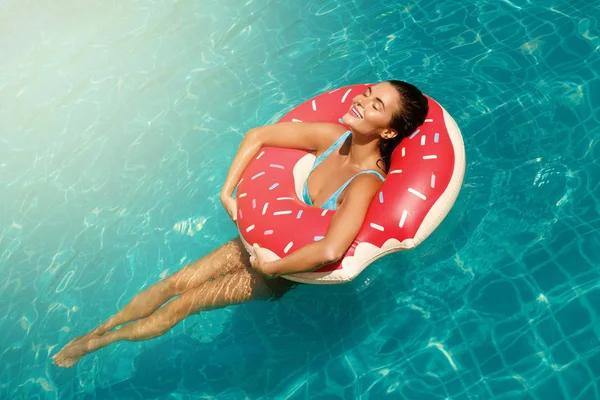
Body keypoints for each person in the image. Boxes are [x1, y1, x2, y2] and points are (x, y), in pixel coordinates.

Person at [52, 80, 429, 368]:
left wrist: (271, 266)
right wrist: (227, 192)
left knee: (183, 305)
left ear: (389, 132)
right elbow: (258, 135)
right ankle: (99, 329)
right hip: (251, 242)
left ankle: (97, 345)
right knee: (172, 283)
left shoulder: (364, 182)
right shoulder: (333, 139)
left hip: (273, 273)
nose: (361, 101)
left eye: (375, 104)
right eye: (367, 93)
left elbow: (329, 249)